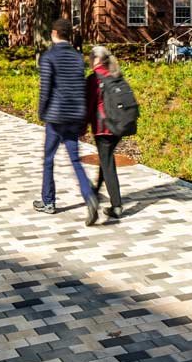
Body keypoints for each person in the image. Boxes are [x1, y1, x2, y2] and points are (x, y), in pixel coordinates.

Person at [33, 17, 100, 225]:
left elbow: (46, 90)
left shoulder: (48, 57)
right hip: (74, 115)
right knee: (74, 160)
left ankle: (48, 201)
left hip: (55, 116)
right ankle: (89, 196)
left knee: (49, 159)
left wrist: (41, 111)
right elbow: (80, 87)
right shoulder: (77, 57)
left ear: (53, 33)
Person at [84, 45, 125, 222]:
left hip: (103, 128)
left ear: (96, 60)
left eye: (91, 57)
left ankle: (112, 205)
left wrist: (81, 128)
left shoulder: (94, 79)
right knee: (105, 162)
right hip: (119, 126)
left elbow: (89, 106)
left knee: (106, 163)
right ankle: (101, 195)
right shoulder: (116, 74)